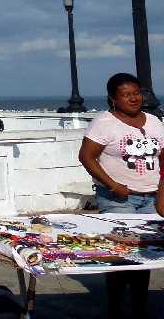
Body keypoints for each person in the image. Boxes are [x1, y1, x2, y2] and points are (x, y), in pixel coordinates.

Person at [81, 72, 164, 319]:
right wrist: (112, 184)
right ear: (113, 98)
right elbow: (86, 156)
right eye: (126, 95)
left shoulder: (153, 121)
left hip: (150, 198)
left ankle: (140, 308)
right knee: (121, 255)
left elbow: (162, 157)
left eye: (136, 93)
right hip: (118, 199)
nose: (133, 98)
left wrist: (162, 191)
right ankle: (116, 309)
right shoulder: (104, 123)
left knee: (144, 255)